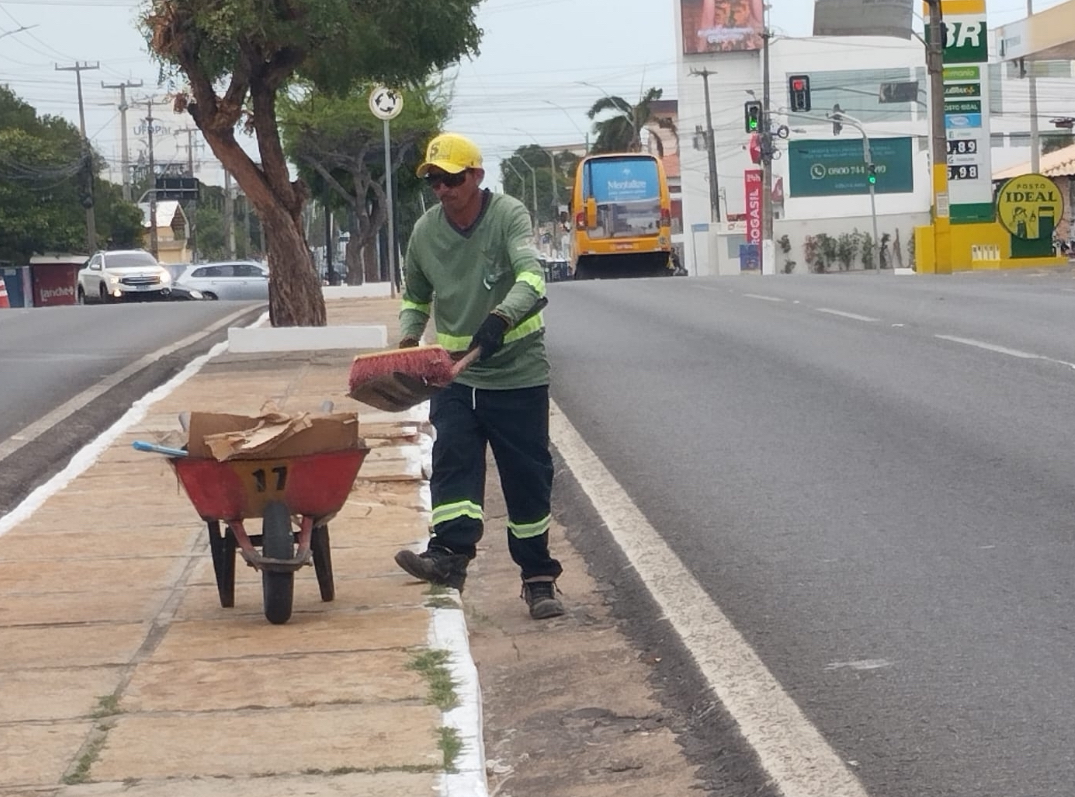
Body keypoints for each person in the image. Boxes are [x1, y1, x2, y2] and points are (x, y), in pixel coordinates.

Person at [392, 132, 565, 620]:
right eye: (434, 181)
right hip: (455, 378)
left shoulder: (508, 215)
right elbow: (416, 295)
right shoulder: (425, 233)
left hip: (517, 374)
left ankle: (538, 579)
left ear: (476, 177)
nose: (443, 190)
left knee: (527, 478)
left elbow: (531, 276)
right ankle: (448, 557)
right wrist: (408, 343)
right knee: (452, 464)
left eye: (452, 179)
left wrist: (501, 319)